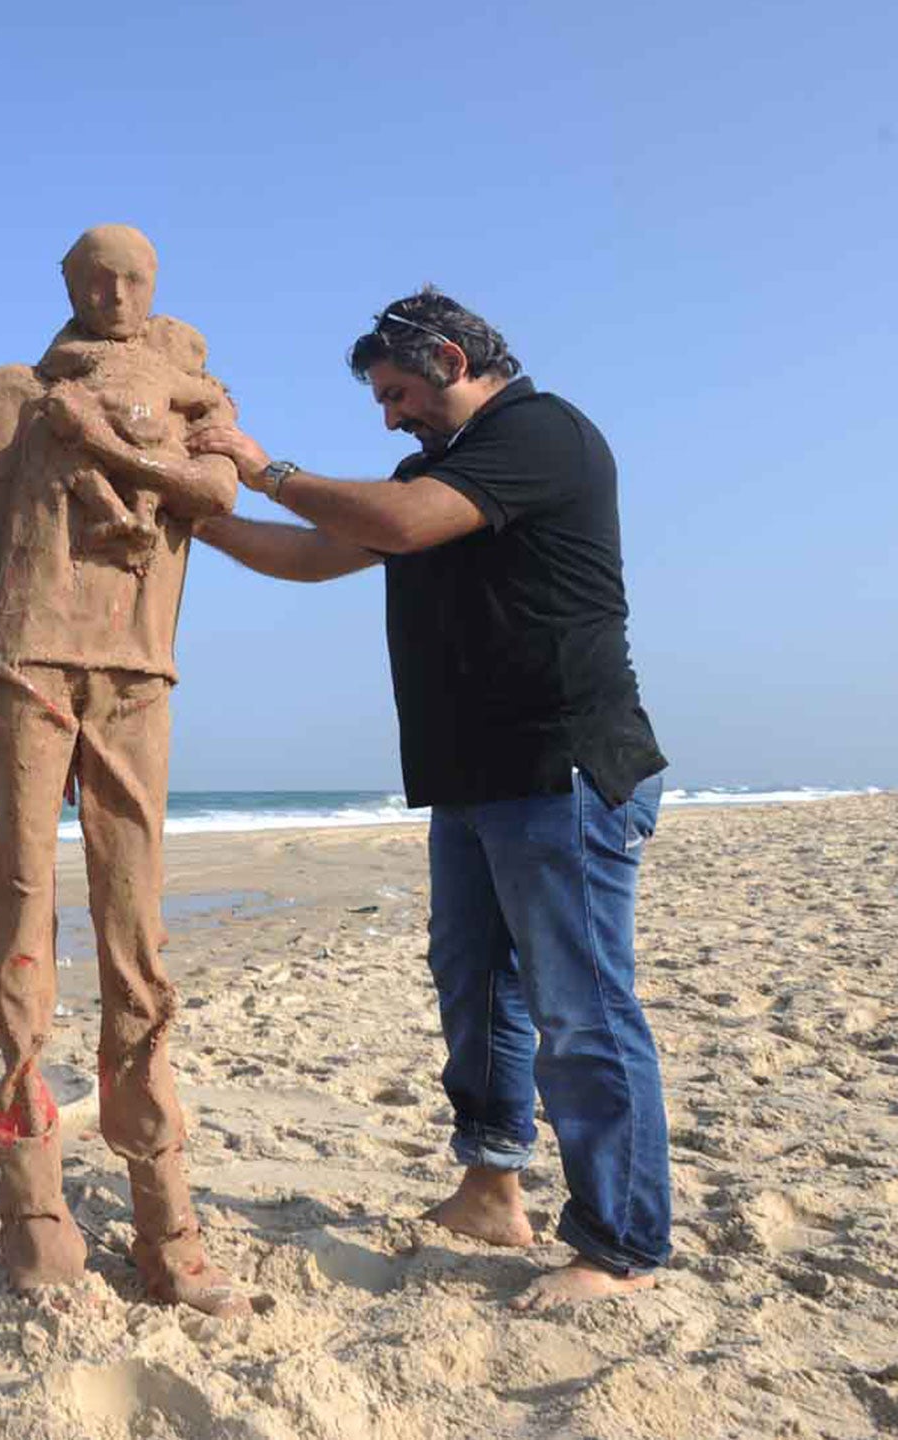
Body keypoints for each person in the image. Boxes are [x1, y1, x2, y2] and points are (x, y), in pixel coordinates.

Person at [190, 288, 671, 1311]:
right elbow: (320, 553)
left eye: (395, 391)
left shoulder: (541, 435)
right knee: (477, 988)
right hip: (472, 781)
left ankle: (617, 1247)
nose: (387, 416)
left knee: (579, 1013)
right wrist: (203, 521)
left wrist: (262, 466)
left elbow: (398, 526)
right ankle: (491, 1187)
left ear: (451, 360)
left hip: (562, 772)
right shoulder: (430, 473)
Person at [0, 223, 246, 1314]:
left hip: (136, 670)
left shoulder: (192, 388)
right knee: (23, 911)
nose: (116, 294)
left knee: (135, 934)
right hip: (27, 656)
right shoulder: (14, 388)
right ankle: (32, 1203)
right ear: (68, 285)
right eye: (96, 278)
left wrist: (112, 444)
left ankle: (163, 1221)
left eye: (134, 279)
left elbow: (214, 495)